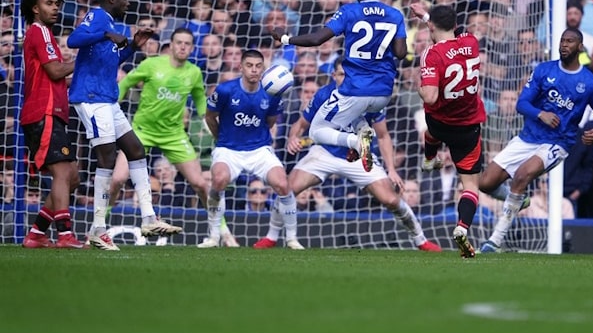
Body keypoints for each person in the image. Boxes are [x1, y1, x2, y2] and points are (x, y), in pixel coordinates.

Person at [254, 58, 441, 252]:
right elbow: (300, 124)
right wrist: (293, 138)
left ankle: (421, 240)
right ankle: (271, 237)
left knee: (391, 200)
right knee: (288, 189)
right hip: (325, 152)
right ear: (333, 76)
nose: (346, 78)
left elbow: (383, 135)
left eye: (350, 74)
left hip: (359, 156)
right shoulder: (323, 95)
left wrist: (392, 170)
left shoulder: (370, 98)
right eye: (342, 74)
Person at [478, 28, 593, 253]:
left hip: (558, 143)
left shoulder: (589, 83)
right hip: (528, 137)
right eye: (562, 40)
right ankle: (518, 200)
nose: (564, 45)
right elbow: (521, 103)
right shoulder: (544, 70)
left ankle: (495, 240)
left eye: (570, 41)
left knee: (522, 176)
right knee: (485, 183)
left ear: (580, 47)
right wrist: (540, 114)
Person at [67, 0, 182, 251]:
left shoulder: (112, 24)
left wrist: (133, 46)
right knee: (107, 157)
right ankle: (98, 229)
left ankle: (149, 218)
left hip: (107, 97)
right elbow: (73, 40)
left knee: (135, 149)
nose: (127, 2)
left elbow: (109, 61)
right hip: (91, 97)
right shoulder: (97, 16)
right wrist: (107, 34)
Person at [271, 0, 407, 173]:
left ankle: (355, 142)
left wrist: (285, 38)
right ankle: (363, 131)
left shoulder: (349, 11)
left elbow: (317, 39)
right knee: (355, 113)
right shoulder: (395, 14)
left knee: (317, 131)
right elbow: (401, 53)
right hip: (383, 93)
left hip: (356, 90)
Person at [113, 27, 239, 247]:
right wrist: (114, 108)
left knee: (200, 184)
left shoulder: (194, 72)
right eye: (179, 42)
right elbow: (125, 83)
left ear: (192, 48)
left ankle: (223, 231)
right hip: (142, 131)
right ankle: (98, 227)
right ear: (171, 45)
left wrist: (214, 124)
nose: (182, 47)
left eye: (187, 43)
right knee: (117, 179)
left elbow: (201, 102)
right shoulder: (152, 64)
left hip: (173, 135)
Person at [408, 3, 486, 258]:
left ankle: (430, 159)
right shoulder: (471, 43)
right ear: (455, 24)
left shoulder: (431, 54)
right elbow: (455, 32)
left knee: (430, 134)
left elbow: (430, 97)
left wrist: (419, 87)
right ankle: (462, 227)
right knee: (470, 186)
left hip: (440, 122)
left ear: (431, 26)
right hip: (468, 127)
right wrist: (428, 16)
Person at [202, 50, 292, 248]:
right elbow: (210, 116)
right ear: (241, 67)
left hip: (259, 149)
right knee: (219, 179)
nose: (254, 70)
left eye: (258, 66)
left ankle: (292, 239)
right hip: (228, 148)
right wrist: (220, 138)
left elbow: (270, 122)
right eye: (249, 65)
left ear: (263, 69)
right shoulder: (225, 90)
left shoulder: (272, 93)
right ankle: (214, 236)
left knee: (283, 184)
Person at [19, 0, 85, 249]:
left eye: (57, 4)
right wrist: (85, 62)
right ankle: (65, 235)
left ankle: (36, 234)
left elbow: (56, 79)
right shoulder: (40, 32)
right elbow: (56, 71)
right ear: (35, 8)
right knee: (63, 174)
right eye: (49, 3)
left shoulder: (45, 35)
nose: (55, 7)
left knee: (72, 177)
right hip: (43, 112)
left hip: (52, 113)